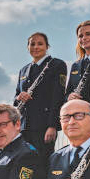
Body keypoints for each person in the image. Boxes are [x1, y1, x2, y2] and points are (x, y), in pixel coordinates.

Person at [14, 32, 67, 161]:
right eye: (32, 44)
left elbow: (58, 97)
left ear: (47, 46)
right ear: (28, 47)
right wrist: (19, 98)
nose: (36, 47)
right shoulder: (23, 70)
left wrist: (52, 126)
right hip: (24, 127)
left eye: (40, 44)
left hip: (44, 126)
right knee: (25, 162)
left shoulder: (56, 64)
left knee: (42, 162)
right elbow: (15, 99)